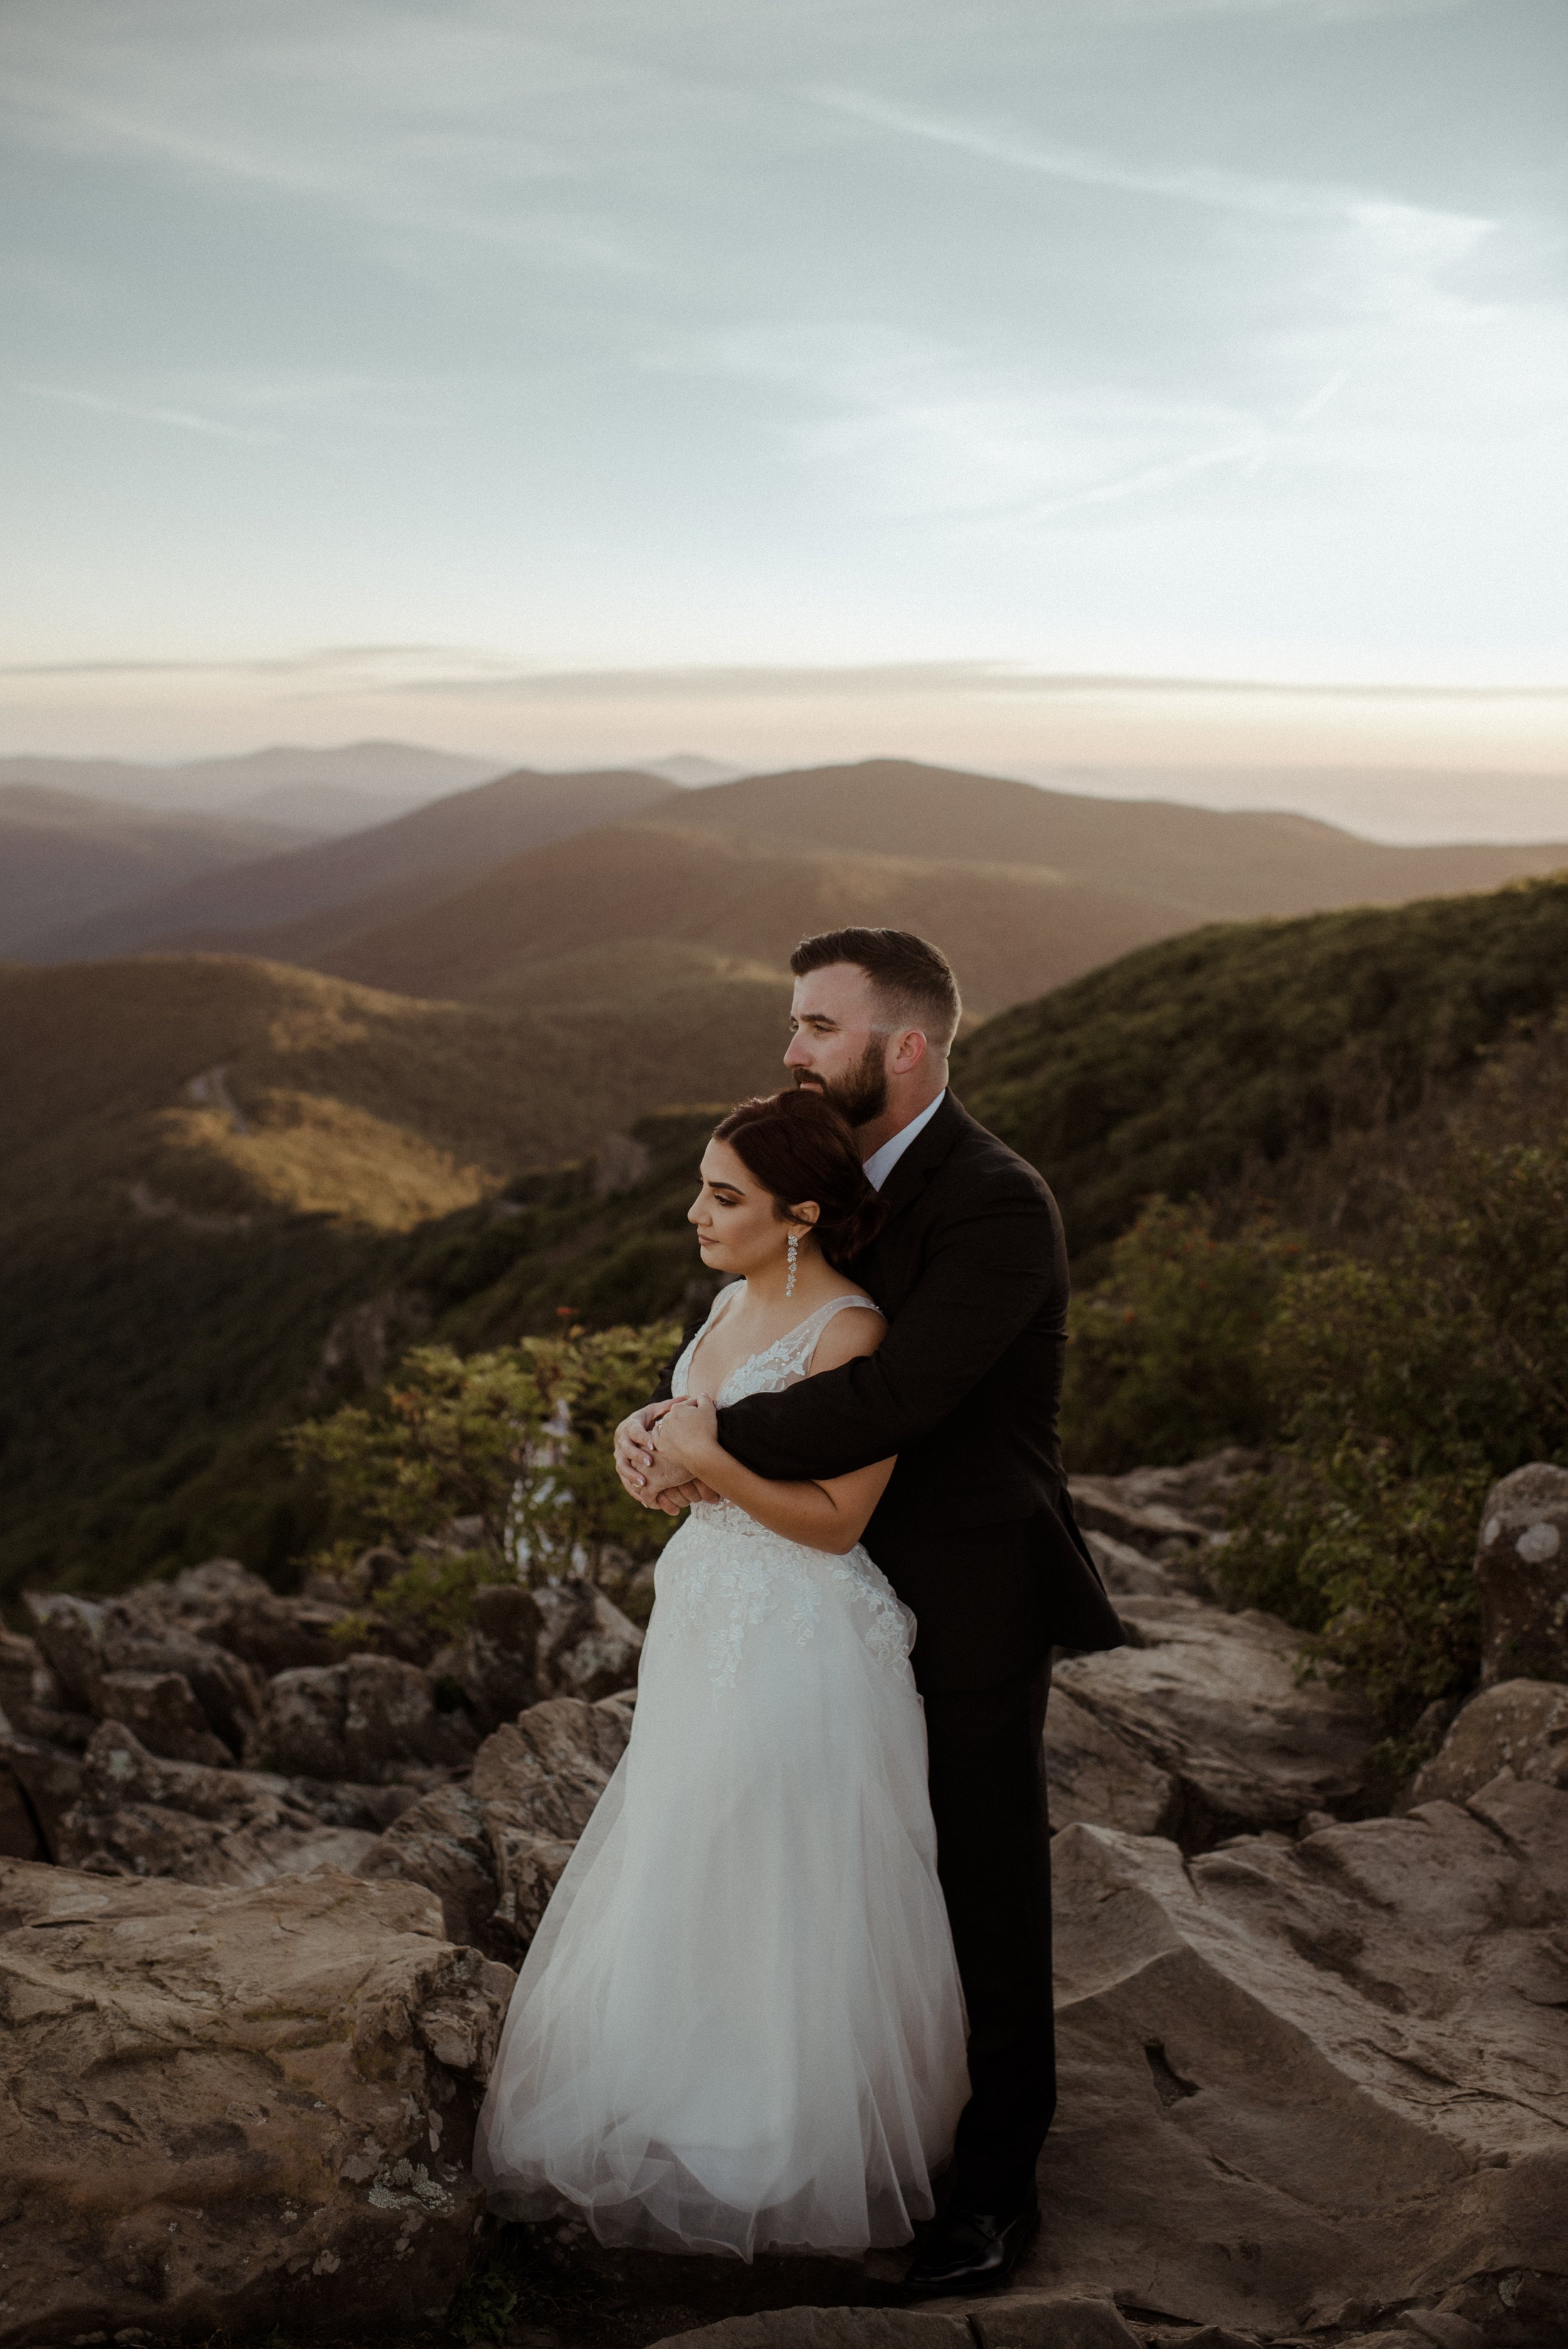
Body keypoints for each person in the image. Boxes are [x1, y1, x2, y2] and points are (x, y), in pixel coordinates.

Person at [618, 927, 1124, 2294]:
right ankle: (830, 2122)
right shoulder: (823, 1179)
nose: (791, 1049)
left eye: (818, 1027)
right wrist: (670, 1422)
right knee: (827, 1868)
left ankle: (995, 2190)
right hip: (814, 1590)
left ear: (905, 1047)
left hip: (960, 1583)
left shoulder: (996, 1201)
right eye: (793, 1024)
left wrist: (699, 1438)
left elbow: (895, 1400)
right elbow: (764, 1306)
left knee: (977, 1874)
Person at [475, 1087, 971, 2259]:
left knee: (783, 1873)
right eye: (702, 1184)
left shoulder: (852, 1333)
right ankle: (683, 2098)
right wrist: (650, 1458)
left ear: (800, 1213)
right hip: (701, 1623)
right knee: (690, 1850)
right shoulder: (724, 1302)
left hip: (802, 1634)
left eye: (724, 1195)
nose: (695, 1210)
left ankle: (786, 2135)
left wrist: (710, 1459)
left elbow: (840, 1518)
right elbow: (701, 1456)